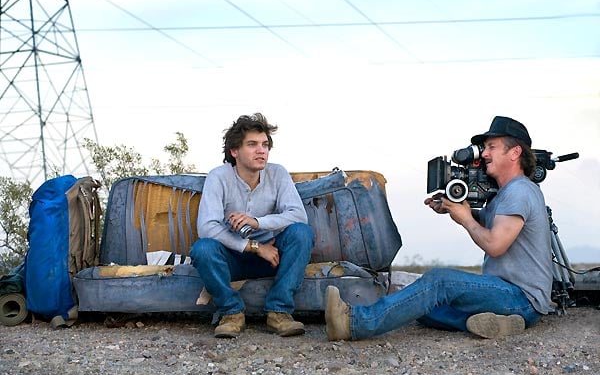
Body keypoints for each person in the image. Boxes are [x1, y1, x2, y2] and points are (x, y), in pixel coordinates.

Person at [325, 116, 553, 340]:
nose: (484, 154)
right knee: (425, 308)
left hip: (522, 298)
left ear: (515, 153)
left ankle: (354, 323)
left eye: (492, 147)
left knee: (438, 281)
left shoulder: (520, 191)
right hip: (504, 293)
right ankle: (502, 324)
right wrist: (452, 208)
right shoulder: (505, 194)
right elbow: (486, 221)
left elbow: (495, 245)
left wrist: (465, 218)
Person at [190, 113, 315, 339]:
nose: (261, 151)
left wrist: (258, 222)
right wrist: (255, 246)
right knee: (203, 249)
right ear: (234, 151)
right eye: (252, 145)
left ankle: (279, 312)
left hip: (274, 255)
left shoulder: (277, 173)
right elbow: (207, 228)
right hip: (233, 258)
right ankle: (231, 313)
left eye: (265, 145)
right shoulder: (218, 177)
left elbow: (298, 216)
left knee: (301, 233)